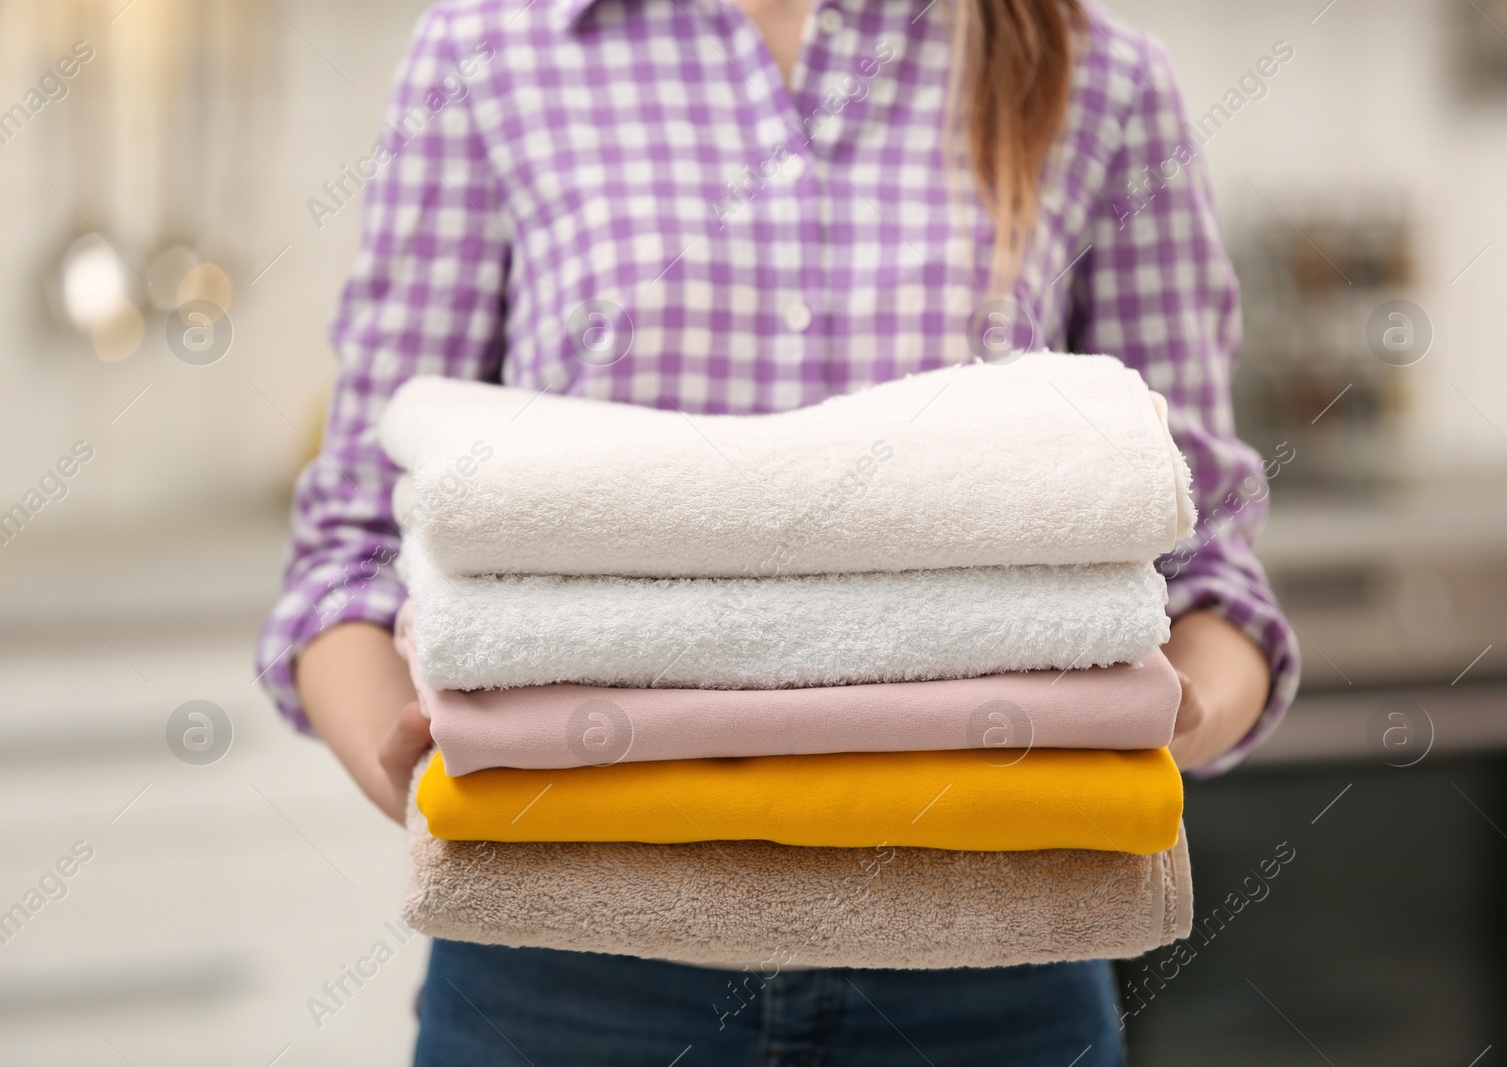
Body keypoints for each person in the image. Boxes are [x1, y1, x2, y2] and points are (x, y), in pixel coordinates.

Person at [258, 0, 1301, 1062]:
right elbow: (353, 549)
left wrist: (1146, 725)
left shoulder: (1099, 74)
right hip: (563, 986)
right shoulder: (492, 49)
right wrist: (440, 786)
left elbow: (1199, 553)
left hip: (993, 977)